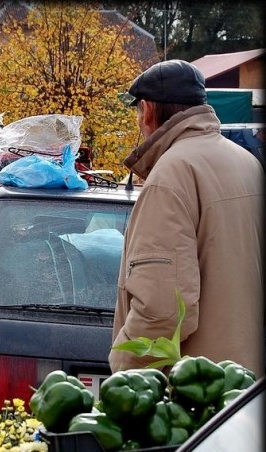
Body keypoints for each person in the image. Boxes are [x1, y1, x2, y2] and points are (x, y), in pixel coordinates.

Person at [109, 59, 264, 378]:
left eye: (138, 111)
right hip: (243, 387)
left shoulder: (171, 175)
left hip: (195, 396)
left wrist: (124, 370)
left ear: (149, 109)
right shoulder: (247, 163)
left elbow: (162, 309)